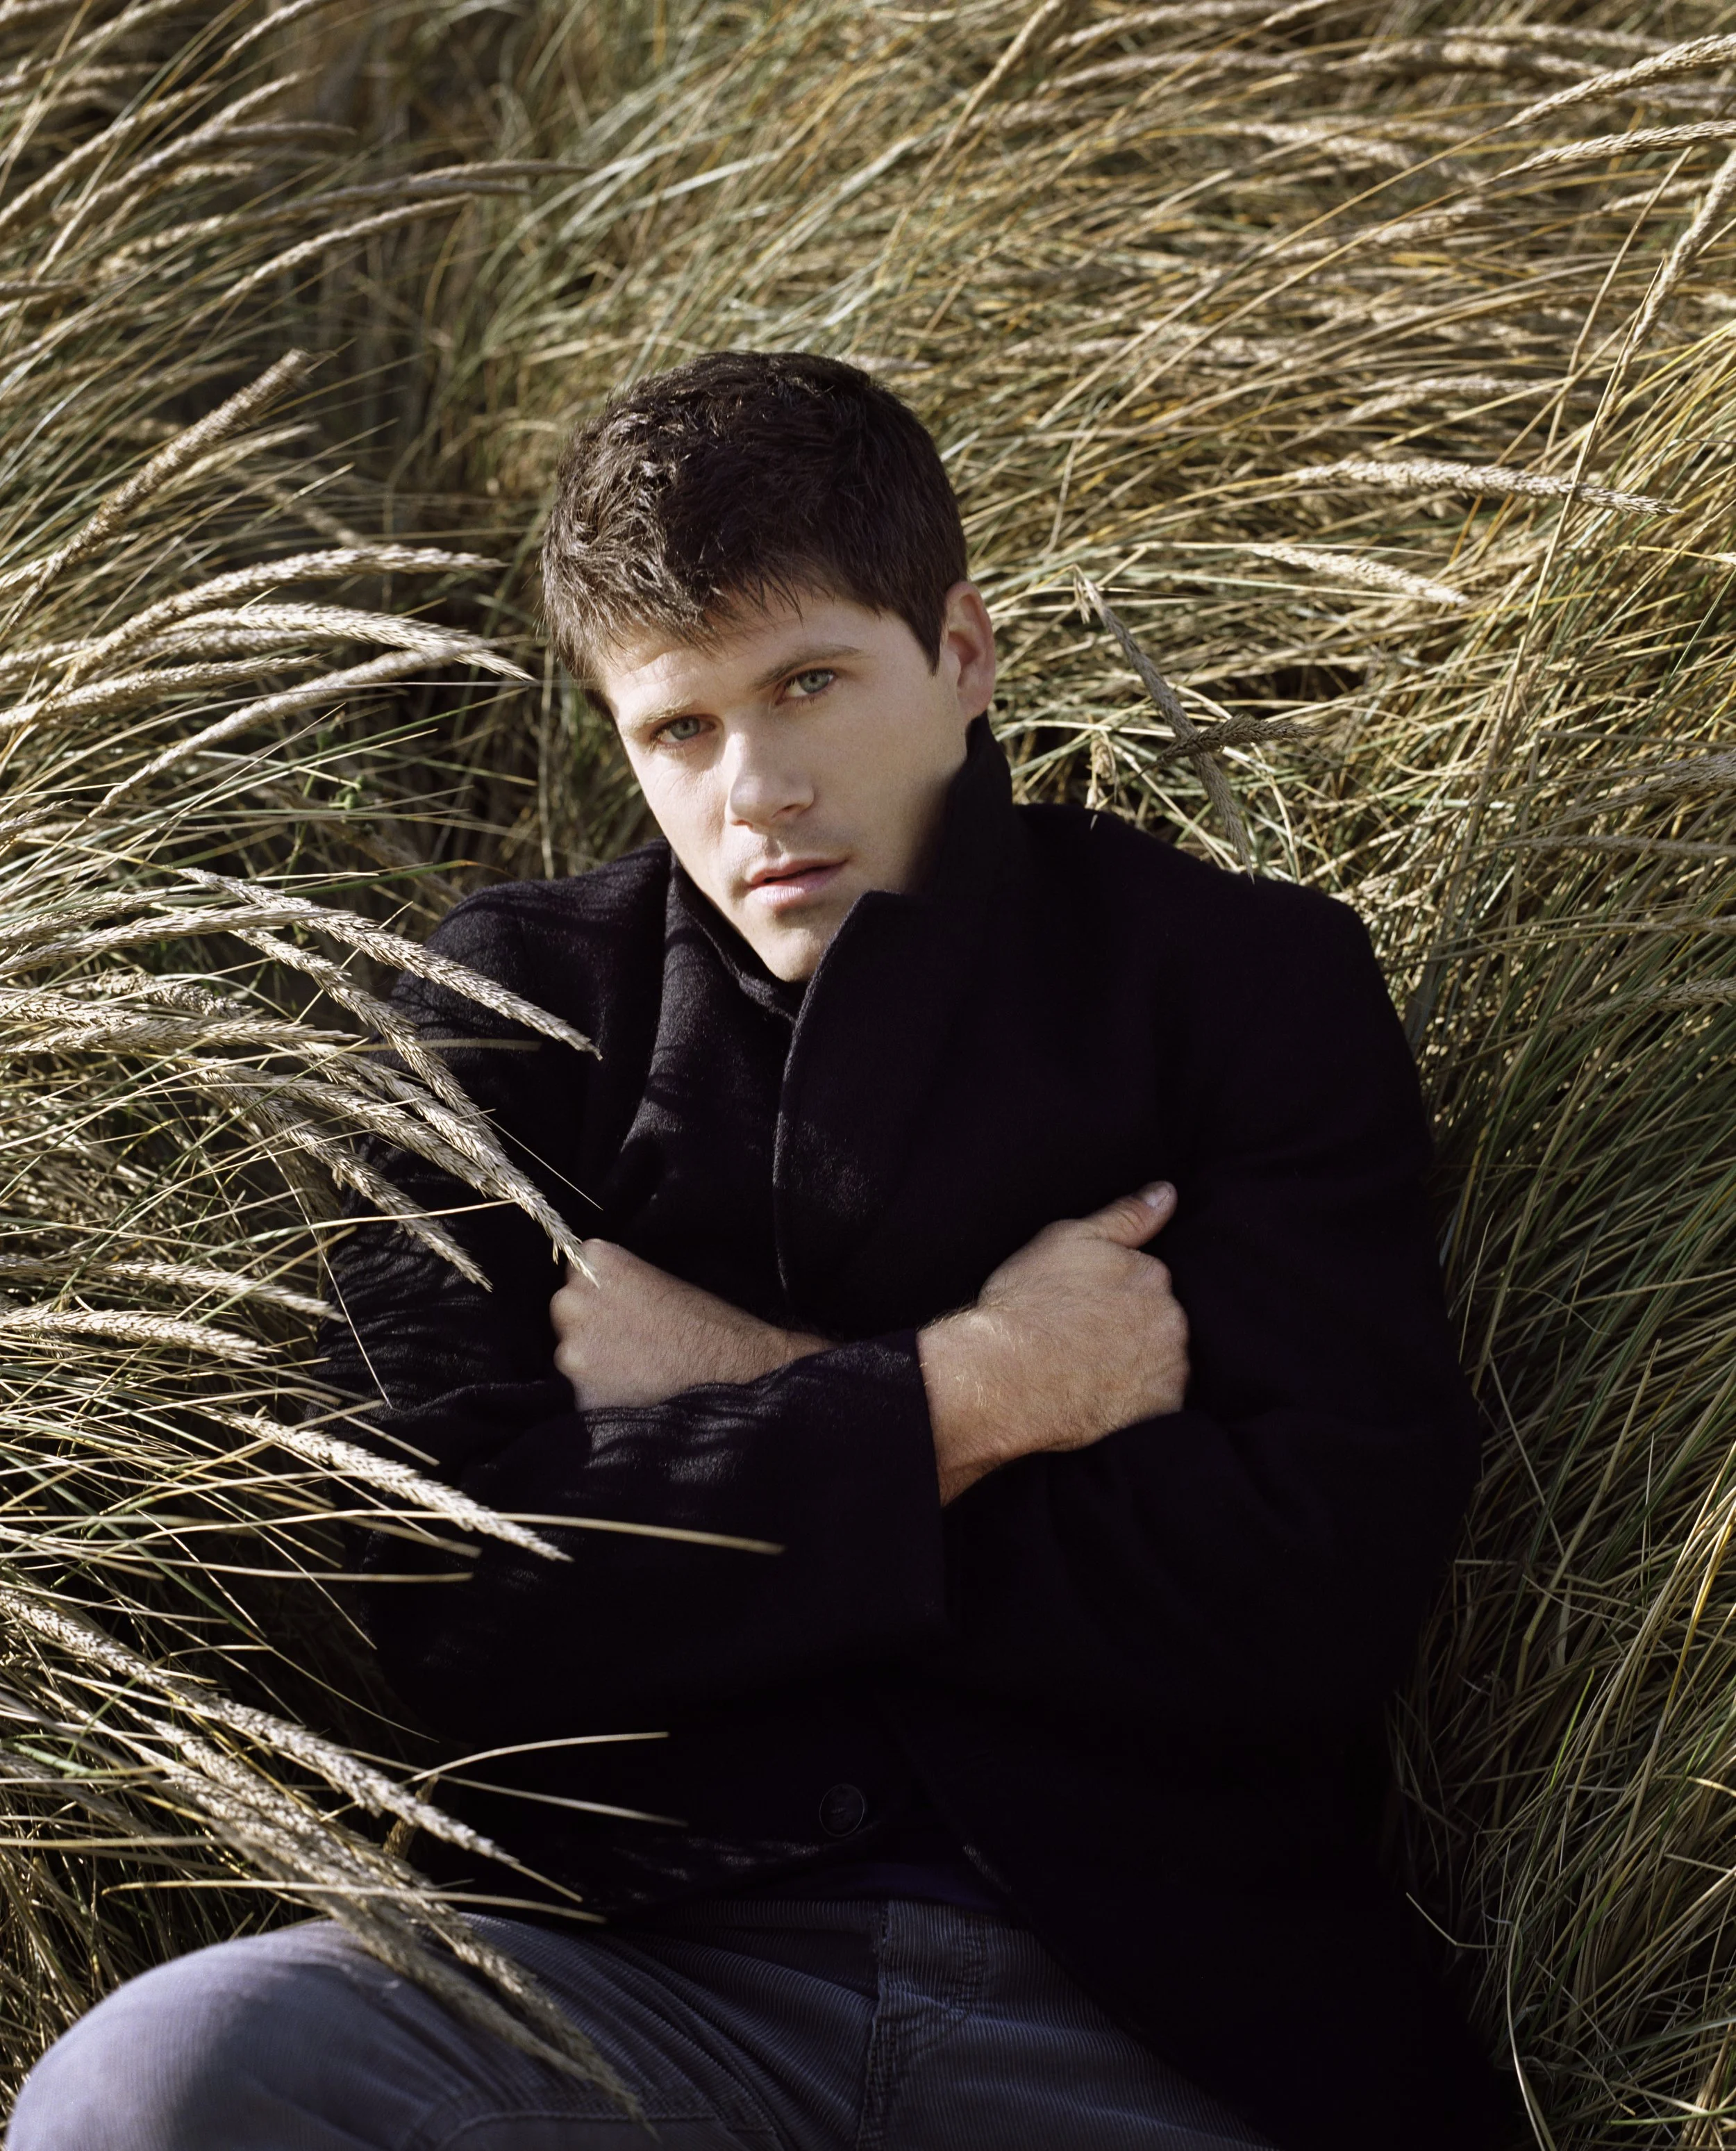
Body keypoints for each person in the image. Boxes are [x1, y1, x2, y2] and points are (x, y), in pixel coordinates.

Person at [8, 352, 1510, 2151]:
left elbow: (1303, 1594)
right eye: (681, 727)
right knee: (159, 2082)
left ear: (957, 654)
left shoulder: (1231, 982)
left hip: (1150, 2009)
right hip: (638, 1986)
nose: (756, 788)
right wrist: (977, 1392)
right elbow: (427, 1588)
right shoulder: (513, 1005)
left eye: (809, 684)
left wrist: (721, 1408)